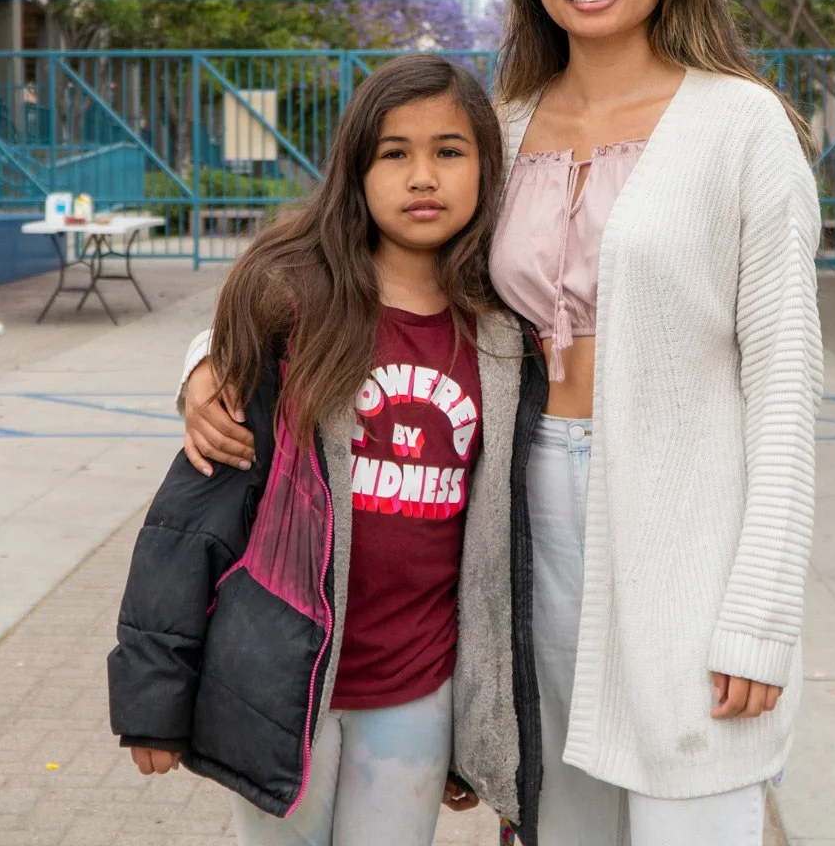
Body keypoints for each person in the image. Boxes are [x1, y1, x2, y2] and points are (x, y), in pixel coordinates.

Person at [181, 0, 823, 846]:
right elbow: (352, 259)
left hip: (680, 531)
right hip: (517, 522)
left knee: (691, 811)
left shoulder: (742, 127)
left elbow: (786, 387)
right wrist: (209, 362)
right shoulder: (504, 127)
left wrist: (762, 614)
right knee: (557, 814)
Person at [108, 54, 548, 846]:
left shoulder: (504, 332)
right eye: (394, 152)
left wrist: (487, 727)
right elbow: (190, 517)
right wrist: (153, 696)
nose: (423, 176)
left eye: (449, 151)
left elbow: (507, 543)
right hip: (276, 686)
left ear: (486, 167)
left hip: (416, 687)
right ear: (355, 167)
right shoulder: (292, 306)